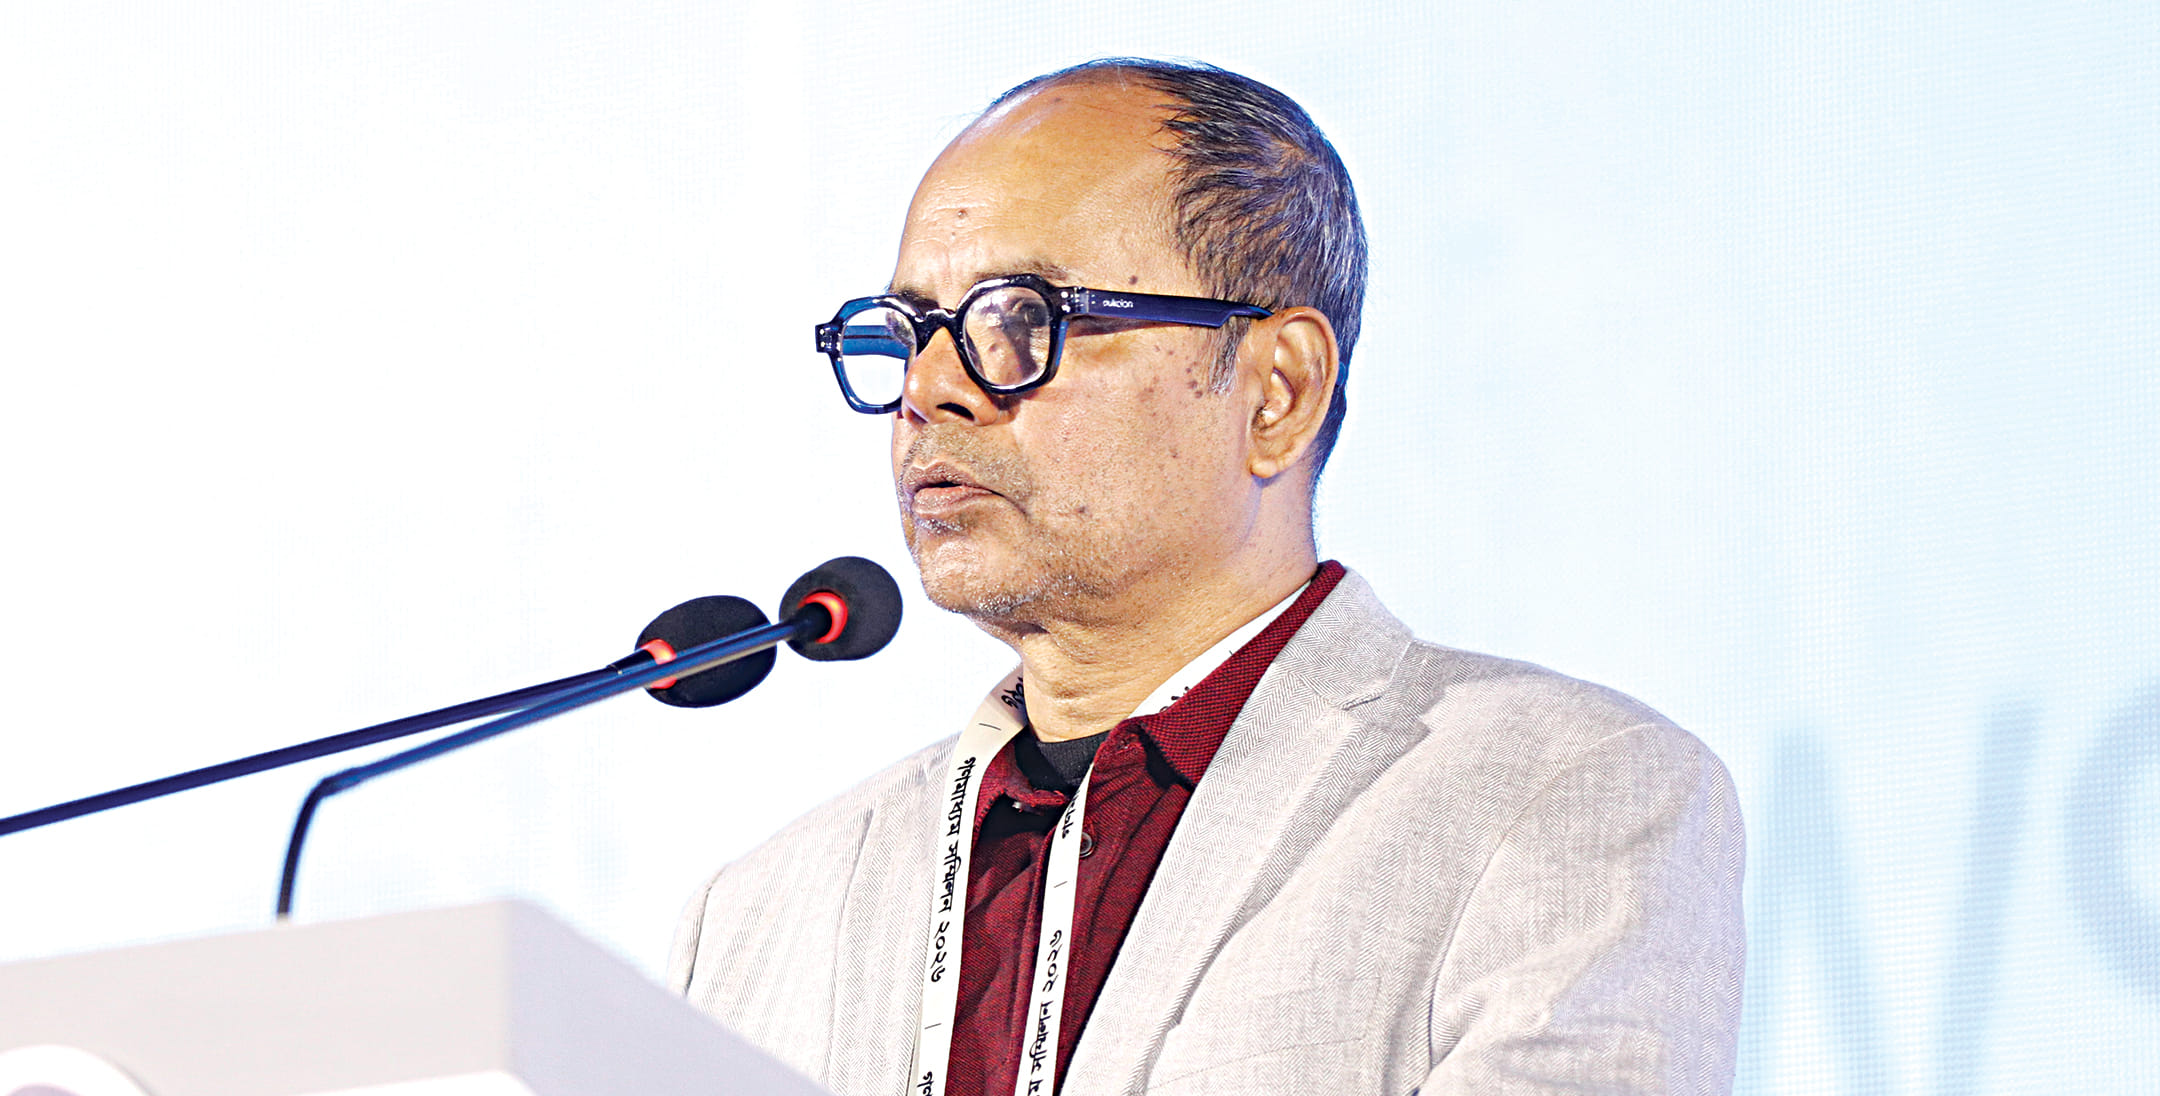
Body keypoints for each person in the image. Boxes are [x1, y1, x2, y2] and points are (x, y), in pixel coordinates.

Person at [669, 59, 1743, 1096]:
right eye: (907, 333)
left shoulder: (1554, 798)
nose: (931, 388)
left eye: (1021, 321)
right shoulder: (761, 912)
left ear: (1278, 391)